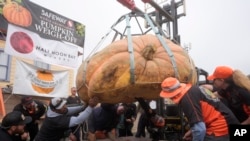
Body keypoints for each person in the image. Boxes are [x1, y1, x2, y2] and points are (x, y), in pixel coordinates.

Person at [160, 77, 240, 141]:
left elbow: (200, 129)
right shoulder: (193, 90)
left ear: (172, 94)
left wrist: (195, 131)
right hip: (226, 123)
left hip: (219, 129)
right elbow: (201, 119)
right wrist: (192, 131)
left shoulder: (187, 100)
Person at [34, 96, 99, 141]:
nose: (64, 107)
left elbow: (68, 110)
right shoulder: (55, 120)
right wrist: (90, 107)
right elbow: (77, 120)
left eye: (64, 104)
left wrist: (82, 107)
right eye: (61, 107)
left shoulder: (53, 109)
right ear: (54, 110)